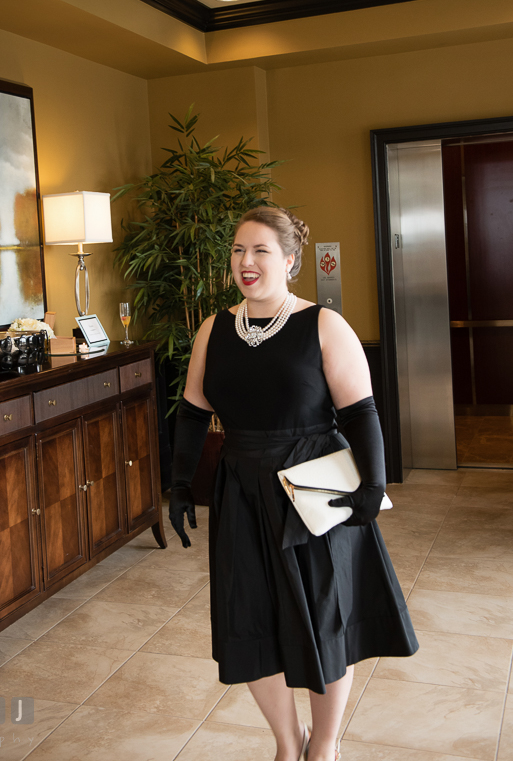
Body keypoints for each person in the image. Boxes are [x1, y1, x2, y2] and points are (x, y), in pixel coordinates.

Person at [168, 207, 418, 761]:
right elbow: (191, 411)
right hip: (241, 490)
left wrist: (372, 485)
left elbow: (361, 411)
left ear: (289, 260)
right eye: (237, 250)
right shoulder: (214, 329)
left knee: (326, 617)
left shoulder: (323, 325)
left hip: (313, 491)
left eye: (259, 250)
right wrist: (181, 482)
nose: (246, 262)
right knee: (250, 620)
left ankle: (323, 746)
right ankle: (288, 743)